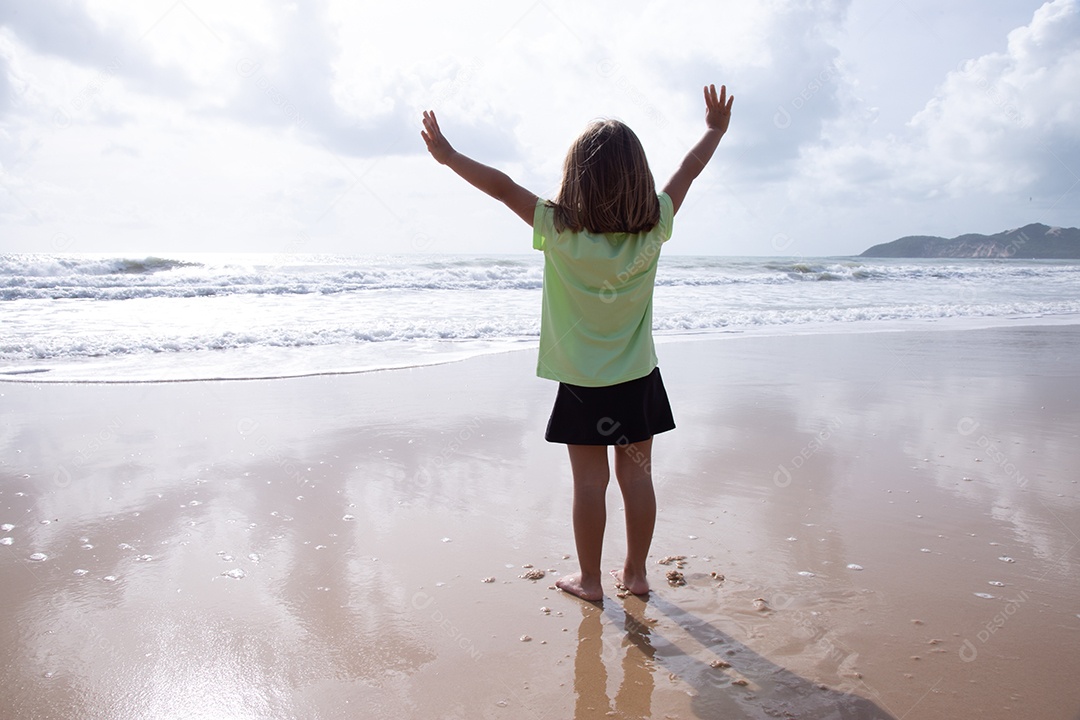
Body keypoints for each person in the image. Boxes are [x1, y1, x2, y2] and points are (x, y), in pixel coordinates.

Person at [421, 84, 733, 601]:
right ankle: (635, 574)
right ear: (639, 177)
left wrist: (450, 156)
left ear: (576, 177)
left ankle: (590, 581)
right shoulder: (653, 225)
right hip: (636, 377)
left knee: (589, 483)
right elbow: (689, 170)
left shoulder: (556, 228)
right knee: (637, 477)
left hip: (584, 383)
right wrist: (713, 131)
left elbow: (502, 188)